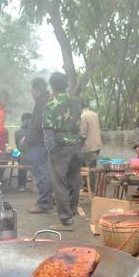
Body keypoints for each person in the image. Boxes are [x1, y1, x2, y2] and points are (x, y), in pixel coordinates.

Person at [43, 72, 83, 226]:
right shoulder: (76, 102)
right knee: (74, 180)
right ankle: (72, 211)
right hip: (75, 144)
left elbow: (48, 130)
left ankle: (65, 216)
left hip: (59, 146)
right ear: (65, 84)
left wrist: (49, 150)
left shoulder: (51, 103)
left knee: (59, 182)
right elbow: (79, 124)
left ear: (52, 85)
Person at [25, 77, 54, 213]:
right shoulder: (50, 100)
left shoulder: (41, 102)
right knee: (48, 172)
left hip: (39, 143)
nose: (30, 92)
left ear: (36, 90)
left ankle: (43, 203)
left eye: (31, 89)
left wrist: (27, 139)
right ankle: (49, 200)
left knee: (42, 173)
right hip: (49, 142)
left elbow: (36, 125)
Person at [80, 101, 102, 168]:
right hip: (97, 146)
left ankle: (90, 179)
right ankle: (93, 178)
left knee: (86, 171)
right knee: (92, 169)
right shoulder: (94, 114)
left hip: (88, 148)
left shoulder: (83, 116)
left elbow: (82, 134)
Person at [14, 112, 32, 192]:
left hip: (24, 158)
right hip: (37, 157)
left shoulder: (17, 132)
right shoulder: (35, 132)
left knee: (21, 161)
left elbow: (18, 147)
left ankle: (21, 186)